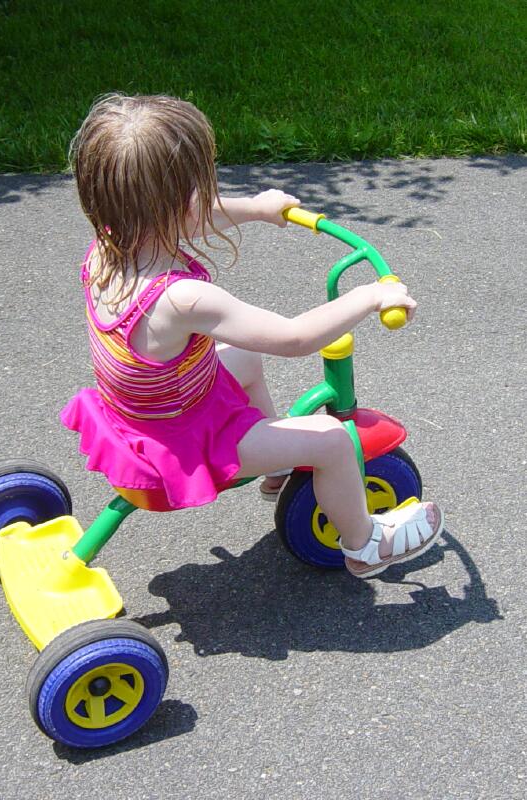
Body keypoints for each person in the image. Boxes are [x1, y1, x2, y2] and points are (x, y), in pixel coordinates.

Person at [61, 93, 443, 579]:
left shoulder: (109, 244)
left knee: (242, 356)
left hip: (144, 417)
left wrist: (258, 209)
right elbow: (294, 339)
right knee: (331, 439)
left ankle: (276, 466)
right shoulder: (182, 299)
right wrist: (368, 297)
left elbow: (189, 216)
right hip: (181, 448)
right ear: (176, 203)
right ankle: (366, 544)